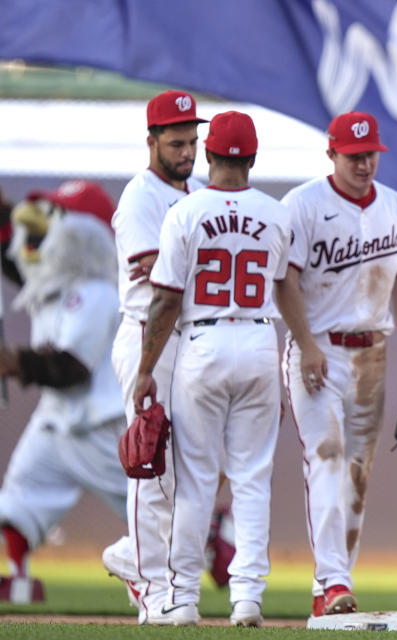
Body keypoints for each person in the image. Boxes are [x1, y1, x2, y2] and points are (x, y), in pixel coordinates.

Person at [132, 110, 295, 627]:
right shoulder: (276, 213)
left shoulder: (185, 211)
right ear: (250, 157)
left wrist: (145, 369)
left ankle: (182, 600)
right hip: (257, 337)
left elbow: (163, 301)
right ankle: (247, 597)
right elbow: (283, 282)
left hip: (202, 340)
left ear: (209, 154)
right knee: (252, 477)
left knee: (196, 480)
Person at [275, 111, 397, 623]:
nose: (364, 163)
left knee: (358, 474)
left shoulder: (390, 205)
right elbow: (285, 282)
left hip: (372, 353)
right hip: (318, 348)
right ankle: (334, 579)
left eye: (370, 155)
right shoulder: (302, 204)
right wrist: (304, 342)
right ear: (332, 154)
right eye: (353, 154)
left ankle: (334, 588)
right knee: (327, 456)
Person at [102, 90, 235, 624]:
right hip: (146, 341)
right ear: (151, 140)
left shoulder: (199, 190)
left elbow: (184, 266)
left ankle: (133, 558)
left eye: (192, 141)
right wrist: (187, 261)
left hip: (191, 341)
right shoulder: (140, 197)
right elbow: (159, 279)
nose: (186, 151)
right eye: (176, 141)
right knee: (151, 465)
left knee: (196, 471)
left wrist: (183, 260)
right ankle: (151, 586)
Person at [0, 181, 126, 604]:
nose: (46, 233)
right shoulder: (53, 283)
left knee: (159, 515)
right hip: (56, 422)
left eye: (60, 218)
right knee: (19, 496)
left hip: (98, 425)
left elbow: (72, 366)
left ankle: (219, 544)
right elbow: (14, 258)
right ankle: (18, 581)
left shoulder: (97, 292)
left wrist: (15, 361)